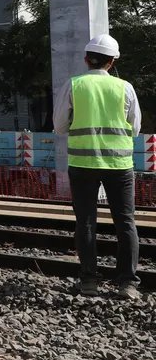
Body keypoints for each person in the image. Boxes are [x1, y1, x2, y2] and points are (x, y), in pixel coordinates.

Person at [54, 34, 142, 299]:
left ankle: (89, 282)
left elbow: (59, 126)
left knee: (87, 221)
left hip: (82, 163)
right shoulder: (124, 87)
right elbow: (135, 128)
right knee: (125, 222)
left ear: (86, 59)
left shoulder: (74, 85)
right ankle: (127, 283)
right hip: (119, 165)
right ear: (112, 62)